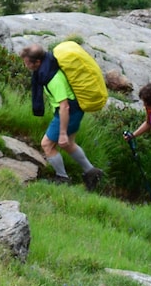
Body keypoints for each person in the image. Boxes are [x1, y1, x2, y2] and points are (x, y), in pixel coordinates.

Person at [22, 44, 105, 189]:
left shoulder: (53, 79)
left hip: (69, 112)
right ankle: (92, 172)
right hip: (73, 110)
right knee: (68, 144)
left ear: (37, 62)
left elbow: (64, 106)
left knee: (47, 144)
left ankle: (62, 178)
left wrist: (62, 132)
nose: (25, 65)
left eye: (27, 62)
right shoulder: (46, 69)